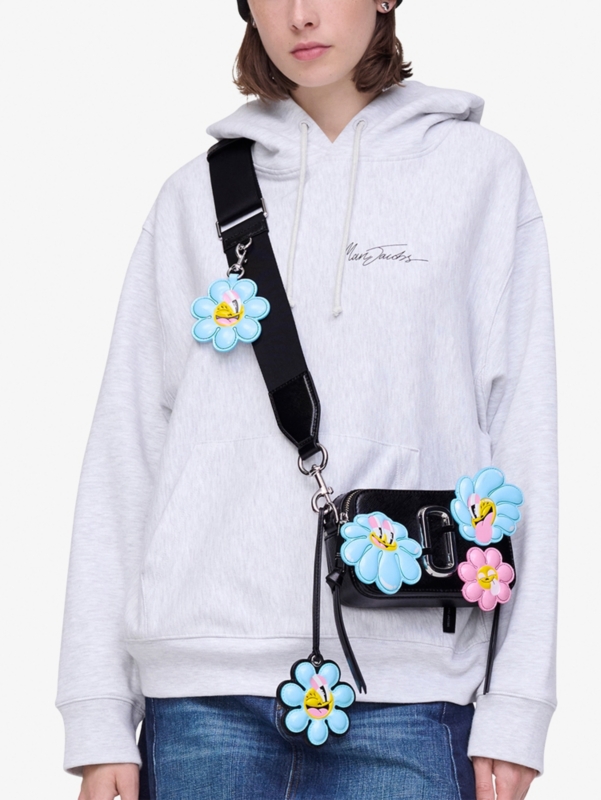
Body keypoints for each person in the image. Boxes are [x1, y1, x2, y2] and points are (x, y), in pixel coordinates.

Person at [56, 1, 558, 798]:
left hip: (412, 695)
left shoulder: (480, 175)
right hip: (198, 694)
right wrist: (95, 712)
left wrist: (519, 703)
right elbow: (129, 449)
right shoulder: (194, 196)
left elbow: (522, 434)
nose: (301, 14)